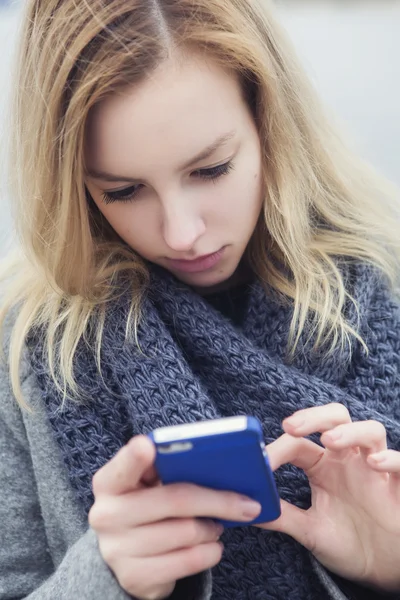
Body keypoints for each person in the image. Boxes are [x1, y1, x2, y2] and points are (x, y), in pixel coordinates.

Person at [0, 0, 399, 599]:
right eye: (123, 190)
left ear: (271, 123)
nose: (181, 234)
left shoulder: (386, 281)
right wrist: (108, 580)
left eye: (211, 169)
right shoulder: (28, 354)